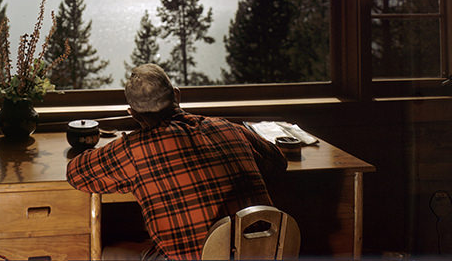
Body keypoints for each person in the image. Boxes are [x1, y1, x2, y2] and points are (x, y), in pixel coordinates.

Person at [66, 64, 287, 260]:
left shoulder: (134, 150)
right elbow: (278, 162)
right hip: (265, 252)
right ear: (177, 96)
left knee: (108, 252)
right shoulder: (230, 128)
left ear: (133, 114)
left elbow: (76, 174)